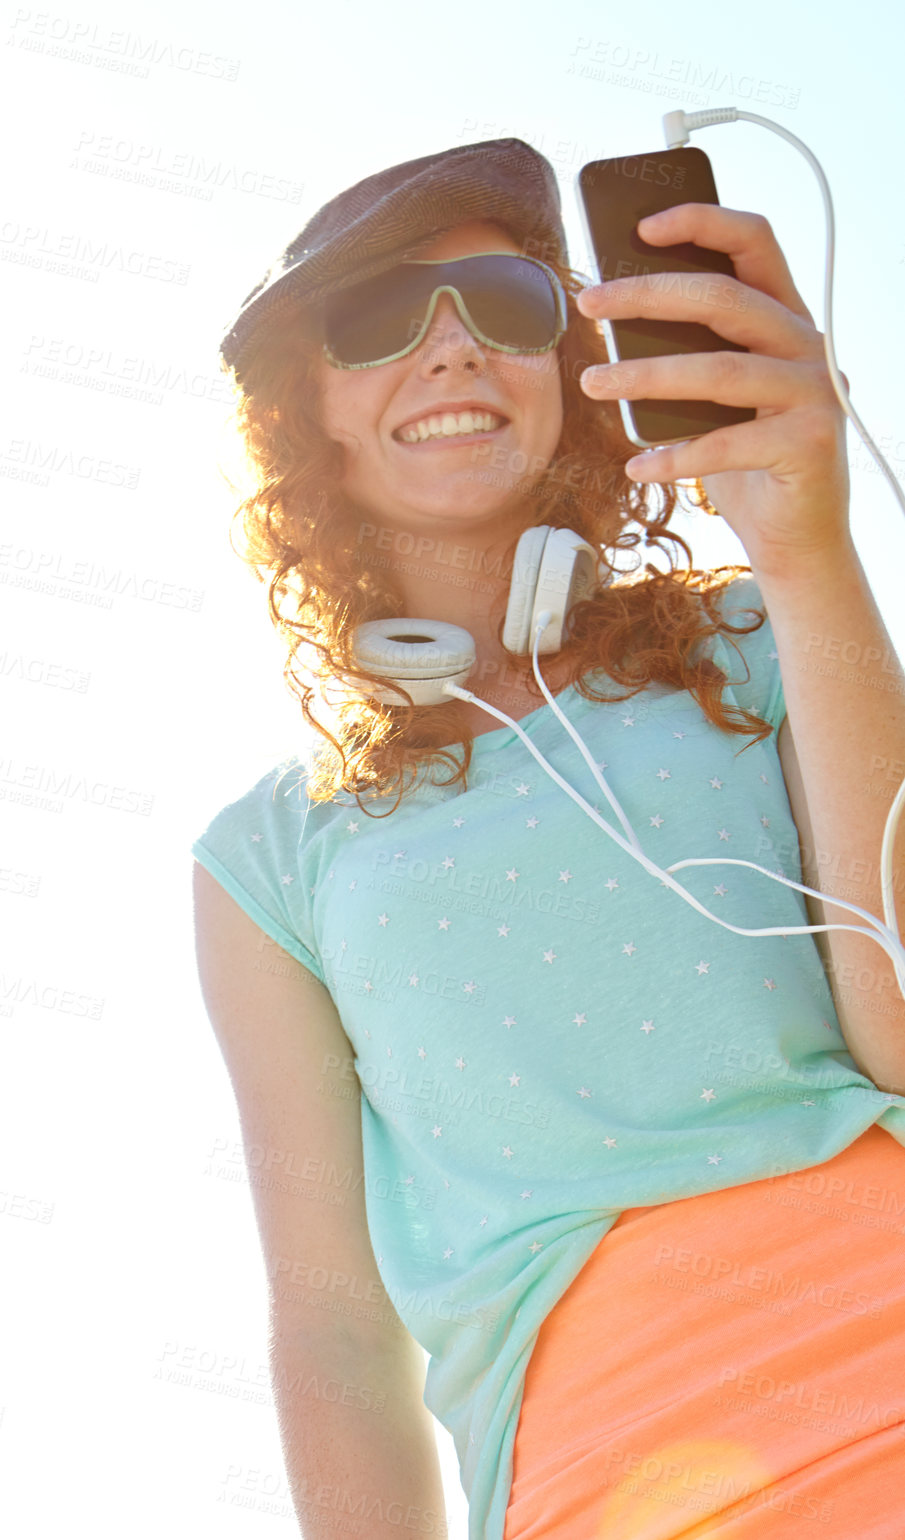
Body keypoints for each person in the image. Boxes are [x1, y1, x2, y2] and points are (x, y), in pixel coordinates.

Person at [189, 138, 905, 1539]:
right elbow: (334, 1334)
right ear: (308, 411)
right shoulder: (269, 860)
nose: (452, 350)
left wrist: (807, 550)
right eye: (380, 319)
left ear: (576, 368)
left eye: (507, 304)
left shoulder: (759, 641)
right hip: (610, 1474)